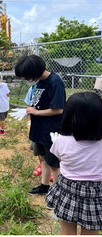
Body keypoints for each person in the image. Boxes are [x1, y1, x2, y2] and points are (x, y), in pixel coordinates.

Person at [45, 92, 102, 235]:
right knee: (91, 231)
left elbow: (60, 160)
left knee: (67, 229)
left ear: (69, 116)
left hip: (68, 188)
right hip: (97, 191)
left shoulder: (61, 141)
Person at [15, 55, 66, 195]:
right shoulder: (39, 82)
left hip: (51, 131)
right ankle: (44, 186)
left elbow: (58, 109)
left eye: (27, 76)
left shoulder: (55, 82)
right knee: (43, 159)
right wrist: (28, 111)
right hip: (39, 129)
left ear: (35, 72)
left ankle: (57, 194)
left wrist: (36, 112)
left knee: (54, 164)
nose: (27, 80)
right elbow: (38, 104)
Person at [24, 84, 53, 182]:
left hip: (50, 126)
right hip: (37, 126)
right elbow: (29, 106)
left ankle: (53, 171)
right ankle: (41, 166)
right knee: (39, 150)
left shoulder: (52, 86)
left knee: (52, 151)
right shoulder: (32, 88)